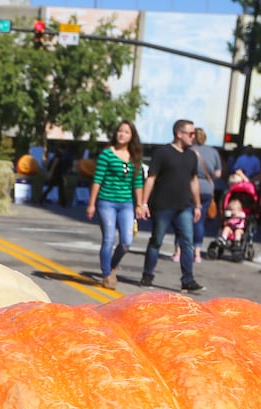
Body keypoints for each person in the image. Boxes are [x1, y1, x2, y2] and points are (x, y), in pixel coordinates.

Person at [139, 119, 205, 292]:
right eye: (191, 134)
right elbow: (151, 178)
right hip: (162, 205)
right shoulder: (162, 152)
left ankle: (188, 279)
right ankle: (147, 274)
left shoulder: (192, 155)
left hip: (184, 206)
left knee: (187, 243)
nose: (194, 137)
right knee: (156, 241)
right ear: (179, 134)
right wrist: (143, 203)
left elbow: (194, 181)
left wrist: (198, 205)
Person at [85, 120, 145, 289]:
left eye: (126, 132)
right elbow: (97, 180)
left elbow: (138, 182)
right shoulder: (107, 155)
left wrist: (140, 204)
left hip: (126, 203)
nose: (122, 134)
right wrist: (91, 203)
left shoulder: (135, 158)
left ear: (132, 136)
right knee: (109, 239)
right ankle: (106, 275)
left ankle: (112, 266)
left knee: (126, 242)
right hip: (106, 202)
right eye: (120, 131)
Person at [192, 128, 223, 258]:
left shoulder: (189, 151)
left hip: (191, 188)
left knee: (185, 219)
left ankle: (179, 250)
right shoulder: (213, 152)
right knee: (200, 220)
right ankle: (197, 251)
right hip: (207, 189)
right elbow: (218, 173)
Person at [40, 142, 75, 206]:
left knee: (52, 187)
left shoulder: (57, 154)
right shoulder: (58, 155)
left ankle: (42, 199)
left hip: (57, 174)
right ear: (63, 149)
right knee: (60, 188)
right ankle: (63, 203)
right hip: (56, 174)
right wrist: (51, 173)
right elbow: (54, 165)